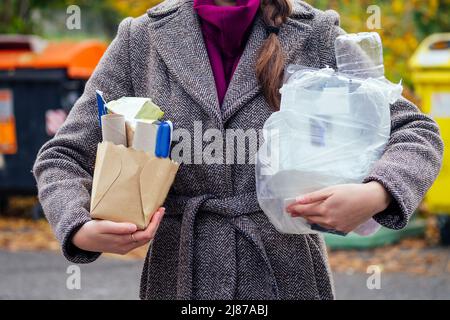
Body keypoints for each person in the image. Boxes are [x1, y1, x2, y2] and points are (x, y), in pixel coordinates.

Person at [33, 0, 443, 300]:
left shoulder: (317, 34)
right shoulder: (141, 41)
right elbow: (63, 157)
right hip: (178, 278)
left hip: (289, 277)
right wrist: (80, 227)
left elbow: (415, 131)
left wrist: (376, 193)